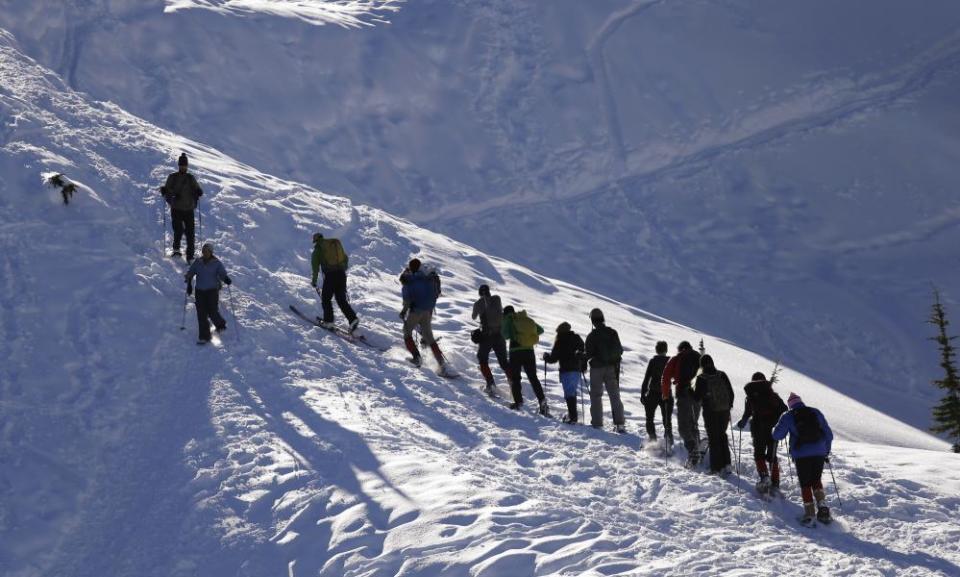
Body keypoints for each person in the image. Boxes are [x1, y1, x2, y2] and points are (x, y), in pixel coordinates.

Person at [772, 393, 834, 525]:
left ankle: (810, 514)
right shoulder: (815, 412)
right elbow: (828, 434)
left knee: (805, 483)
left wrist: (774, 429)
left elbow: (777, 435)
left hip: (801, 454)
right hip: (819, 452)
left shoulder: (788, 416)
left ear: (790, 405)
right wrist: (826, 450)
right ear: (801, 402)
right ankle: (823, 509)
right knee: (816, 479)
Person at [735, 372, 788, 494]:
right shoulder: (772, 394)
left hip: (758, 427)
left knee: (759, 454)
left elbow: (747, 413)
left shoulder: (751, 396)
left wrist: (742, 422)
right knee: (772, 455)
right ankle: (775, 482)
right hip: (773, 429)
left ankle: (764, 477)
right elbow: (784, 410)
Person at [584, 308, 626, 433]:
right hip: (612, 368)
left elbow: (589, 353)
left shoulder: (592, 335)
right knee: (614, 395)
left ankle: (597, 423)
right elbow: (620, 350)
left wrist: (581, 356)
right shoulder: (612, 332)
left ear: (592, 320)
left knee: (596, 395)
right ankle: (620, 424)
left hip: (597, 368)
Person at [399, 259, 446, 369]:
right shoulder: (426, 277)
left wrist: (403, 312)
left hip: (417, 310)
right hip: (428, 310)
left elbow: (407, 300)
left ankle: (416, 358)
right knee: (429, 337)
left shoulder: (408, 281)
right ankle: (441, 363)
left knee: (406, 332)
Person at [661, 341, 703, 466]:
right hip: (698, 395)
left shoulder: (677, 358)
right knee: (693, 422)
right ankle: (697, 445)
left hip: (684, 394)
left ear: (680, 349)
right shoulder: (699, 357)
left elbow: (666, 377)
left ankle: (692, 450)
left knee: (683, 426)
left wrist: (666, 394)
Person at [501, 306, 548, 414]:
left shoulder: (509, 320)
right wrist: (527, 338)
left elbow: (505, 335)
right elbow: (540, 330)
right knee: (533, 377)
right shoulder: (524, 319)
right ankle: (542, 401)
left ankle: (518, 402)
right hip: (529, 351)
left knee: (515, 377)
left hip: (515, 352)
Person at [693, 355, 735, 475]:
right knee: (722, 435)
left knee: (713, 438)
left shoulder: (702, 378)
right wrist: (728, 406)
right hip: (724, 411)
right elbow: (731, 392)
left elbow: (697, 397)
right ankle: (727, 464)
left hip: (710, 412)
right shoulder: (722, 374)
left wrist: (689, 391)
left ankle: (716, 468)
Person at [184, 243, 231, 345]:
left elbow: (222, 273)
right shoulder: (198, 262)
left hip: (212, 291)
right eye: (203, 251)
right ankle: (204, 336)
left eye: (207, 251)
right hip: (199, 291)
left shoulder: (216, 263)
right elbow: (191, 272)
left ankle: (220, 324)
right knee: (201, 313)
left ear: (211, 252)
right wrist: (188, 280)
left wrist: (226, 279)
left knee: (212, 311)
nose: (204, 253)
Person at [310, 233, 358, 331]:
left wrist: (314, 281)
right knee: (341, 299)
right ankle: (353, 319)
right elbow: (345, 258)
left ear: (316, 241)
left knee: (326, 298)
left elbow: (315, 267)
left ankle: (328, 321)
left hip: (331, 276)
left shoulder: (318, 250)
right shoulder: (333, 245)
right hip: (341, 274)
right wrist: (342, 269)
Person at [160, 153, 203, 262]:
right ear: (179, 165)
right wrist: (166, 192)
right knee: (178, 230)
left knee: (190, 233)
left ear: (187, 166)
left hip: (189, 209)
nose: (183, 167)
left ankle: (190, 255)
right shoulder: (173, 177)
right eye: (181, 165)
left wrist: (199, 191)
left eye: (185, 165)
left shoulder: (190, 178)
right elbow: (167, 191)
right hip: (176, 208)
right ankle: (176, 249)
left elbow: (197, 189)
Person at [471, 284, 511, 395]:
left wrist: (479, 308)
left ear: (479, 293)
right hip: (500, 335)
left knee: (482, 358)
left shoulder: (478, 304)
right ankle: (514, 383)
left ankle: (490, 384)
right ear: (489, 291)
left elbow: (473, 316)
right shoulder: (497, 299)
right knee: (504, 362)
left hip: (486, 336)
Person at [543, 322, 585, 424]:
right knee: (572, 392)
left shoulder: (560, 341)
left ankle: (573, 417)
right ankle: (572, 415)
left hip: (566, 370)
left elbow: (553, 358)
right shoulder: (577, 338)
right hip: (576, 370)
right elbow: (583, 352)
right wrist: (583, 366)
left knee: (569, 394)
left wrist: (546, 357)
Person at [640, 341, 672, 445]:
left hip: (653, 392)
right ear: (666, 350)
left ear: (656, 350)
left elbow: (647, 378)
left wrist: (642, 393)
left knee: (649, 418)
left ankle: (653, 440)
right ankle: (668, 443)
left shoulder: (653, 361)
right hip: (666, 393)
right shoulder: (670, 361)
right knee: (667, 420)